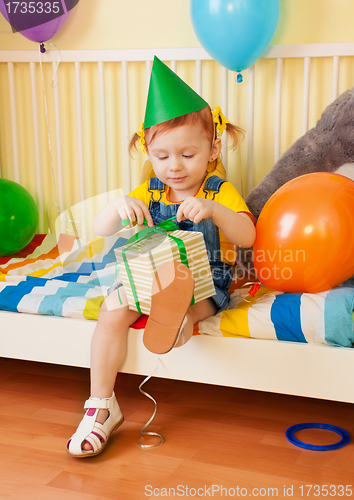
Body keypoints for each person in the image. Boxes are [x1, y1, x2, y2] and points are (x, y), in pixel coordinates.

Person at [67, 57, 256, 458]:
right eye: (163, 155)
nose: (174, 166)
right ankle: (101, 406)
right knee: (112, 310)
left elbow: (247, 235)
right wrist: (119, 208)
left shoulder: (218, 190)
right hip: (148, 277)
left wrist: (215, 211)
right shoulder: (150, 192)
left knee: (192, 308)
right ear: (148, 152)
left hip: (206, 279)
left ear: (212, 150)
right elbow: (101, 228)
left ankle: (176, 320)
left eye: (188, 154)